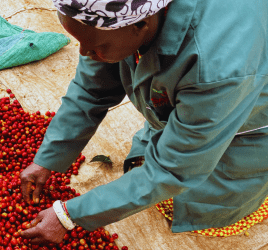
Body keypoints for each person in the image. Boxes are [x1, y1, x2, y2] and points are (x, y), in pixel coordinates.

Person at [20, 0, 268, 244]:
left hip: (244, 126)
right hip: (203, 101)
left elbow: (173, 168)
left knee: (207, 199)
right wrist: (47, 158)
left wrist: (69, 215)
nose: (83, 52)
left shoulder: (216, 68)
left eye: (95, 45)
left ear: (140, 24)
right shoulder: (110, 19)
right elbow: (92, 89)